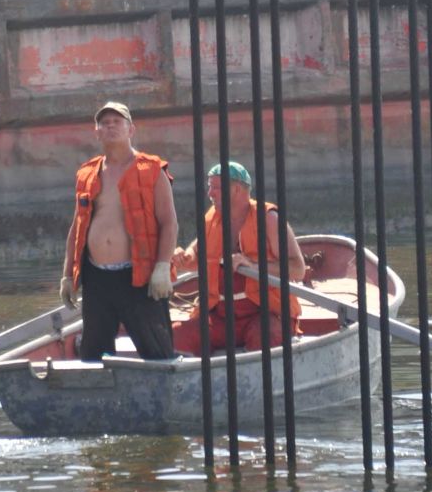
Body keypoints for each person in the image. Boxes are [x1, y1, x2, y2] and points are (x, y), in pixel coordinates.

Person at [60, 100, 178, 362]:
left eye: (117, 122)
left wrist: (161, 267)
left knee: (157, 352)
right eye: (104, 123)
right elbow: (77, 227)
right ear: (97, 132)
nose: (110, 126)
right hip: (97, 279)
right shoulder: (87, 173)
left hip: (140, 277)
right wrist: (67, 275)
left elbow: (169, 222)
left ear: (131, 130)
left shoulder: (152, 169)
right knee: (93, 355)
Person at [170, 159, 305, 355]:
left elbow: (297, 269)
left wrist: (253, 265)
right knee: (178, 336)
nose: (210, 193)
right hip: (222, 317)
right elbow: (197, 254)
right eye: (209, 187)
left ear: (236, 189)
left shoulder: (269, 219)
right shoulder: (211, 218)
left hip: (264, 314)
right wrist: (185, 256)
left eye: (215, 187)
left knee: (266, 336)